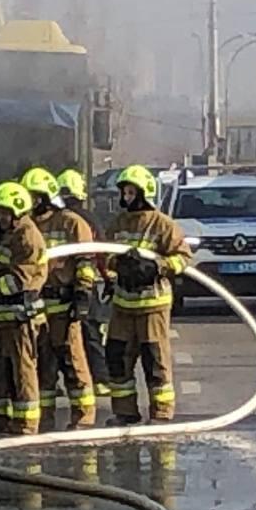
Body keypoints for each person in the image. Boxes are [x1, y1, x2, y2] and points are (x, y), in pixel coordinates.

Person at [103, 164, 192, 425]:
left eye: (132, 193)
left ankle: (161, 415)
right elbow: (104, 253)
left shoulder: (163, 225)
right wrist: (118, 264)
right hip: (122, 306)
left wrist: (156, 266)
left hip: (152, 306)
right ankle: (125, 412)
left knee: (155, 361)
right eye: (125, 193)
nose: (127, 198)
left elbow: (183, 258)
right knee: (118, 358)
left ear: (145, 193)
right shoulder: (118, 223)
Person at [22, 167, 97, 431]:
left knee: (72, 362)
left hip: (64, 306)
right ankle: (45, 419)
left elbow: (85, 261)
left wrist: (83, 293)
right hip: (37, 307)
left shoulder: (71, 223)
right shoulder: (26, 227)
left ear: (44, 196)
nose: (29, 202)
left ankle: (84, 418)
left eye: (33, 196)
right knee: (43, 366)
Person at [0, 182, 47, 435]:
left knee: (22, 371)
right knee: (0, 369)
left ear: (17, 212)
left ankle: (26, 424)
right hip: (2, 317)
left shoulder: (27, 237)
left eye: (3, 214)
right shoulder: (5, 235)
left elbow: (17, 281)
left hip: (22, 317)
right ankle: (2, 420)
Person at [58, 168, 111, 396]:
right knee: (91, 333)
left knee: (56, 338)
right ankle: (99, 380)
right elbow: (100, 253)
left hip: (59, 287)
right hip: (87, 284)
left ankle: (54, 383)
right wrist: (108, 278)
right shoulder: (89, 219)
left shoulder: (56, 219)